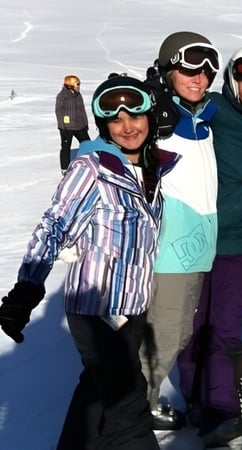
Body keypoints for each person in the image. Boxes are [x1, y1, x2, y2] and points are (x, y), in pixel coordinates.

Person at [0, 76, 178, 449]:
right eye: (116, 120)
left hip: (132, 308)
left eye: (135, 115)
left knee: (97, 395)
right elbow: (54, 226)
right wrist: (26, 290)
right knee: (128, 408)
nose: (128, 127)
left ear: (150, 115)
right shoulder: (93, 170)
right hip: (98, 312)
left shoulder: (150, 170)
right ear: (104, 126)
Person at [174, 46, 242, 445]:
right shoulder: (213, 109)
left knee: (226, 324)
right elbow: (173, 111)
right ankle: (194, 397)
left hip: (238, 241)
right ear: (231, 82)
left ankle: (221, 407)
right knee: (190, 325)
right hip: (194, 236)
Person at [138, 31, 220, 431]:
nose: (200, 78)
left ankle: (139, 403)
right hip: (169, 249)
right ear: (167, 69)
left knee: (178, 332)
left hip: (197, 247)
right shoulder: (155, 117)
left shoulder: (199, 117)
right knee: (165, 335)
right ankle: (133, 412)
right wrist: (150, 104)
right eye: (189, 69)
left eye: (207, 71)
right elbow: (106, 140)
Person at [55, 74, 90, 173]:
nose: (79, 86)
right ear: (70, 85)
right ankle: (65, 168)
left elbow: (82, 110)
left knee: (88, 144)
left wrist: (85, 124)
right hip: (67, 128)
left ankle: (91, 163)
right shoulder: (62, 96)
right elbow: (59, 112)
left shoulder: (78, 95)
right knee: (66, 147)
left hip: (79, 126)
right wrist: (63, 126)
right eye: (77, 84)